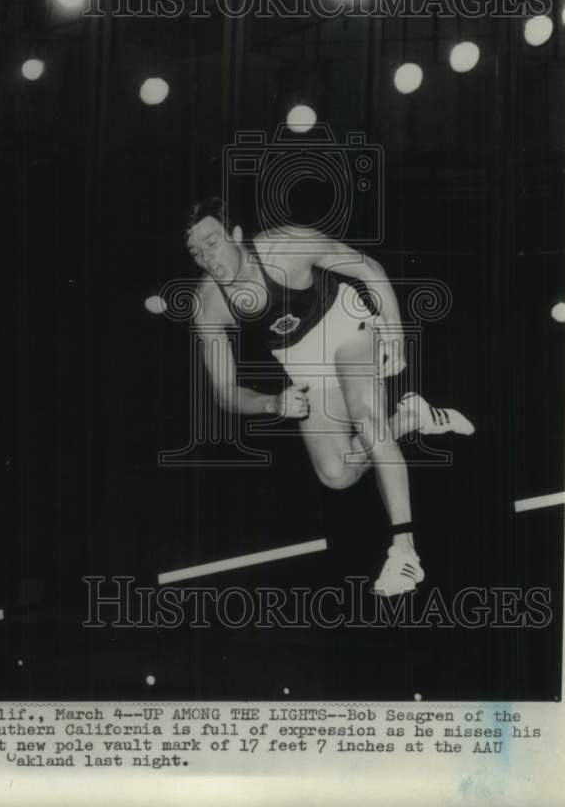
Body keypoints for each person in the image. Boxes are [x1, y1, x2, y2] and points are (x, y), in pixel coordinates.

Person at [185, 197, 474, 597]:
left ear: (234, 234)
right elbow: (224, 393)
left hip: (346, 325)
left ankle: (405, 552)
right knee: (336, 475)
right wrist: (271, 403)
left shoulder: (286, 246)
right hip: (301, 361)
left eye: (212, 241)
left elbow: (368, 268)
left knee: (368, 421)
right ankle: (412, 417)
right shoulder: (209, 306)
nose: (207, 257)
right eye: (196, 251)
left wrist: (395, 331)